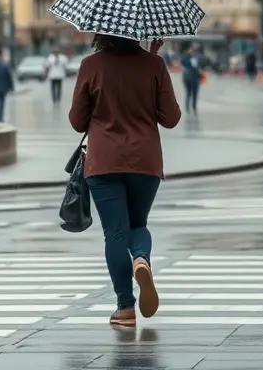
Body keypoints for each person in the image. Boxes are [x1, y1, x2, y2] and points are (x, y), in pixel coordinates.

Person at [69, 34, 181, 328]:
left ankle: (125, 308)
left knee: (115, 234)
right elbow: (171, 118)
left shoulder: (90, 66)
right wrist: (153, 62)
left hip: (104, 161)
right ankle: (141, 259)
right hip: (145, 160)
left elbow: (77, 121)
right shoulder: (153, 65)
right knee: (137, 225)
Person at [180, 44, 202, 115]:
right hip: (188, 79)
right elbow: (183, 65)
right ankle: (187, 106)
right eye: (190, 50)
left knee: (195, 94)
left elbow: (200, 66)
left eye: (193, 50)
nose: (191, 51)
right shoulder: (185, 58)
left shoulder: (197, 57)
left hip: (196, 79)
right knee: (188, 93)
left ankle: (194, 106)